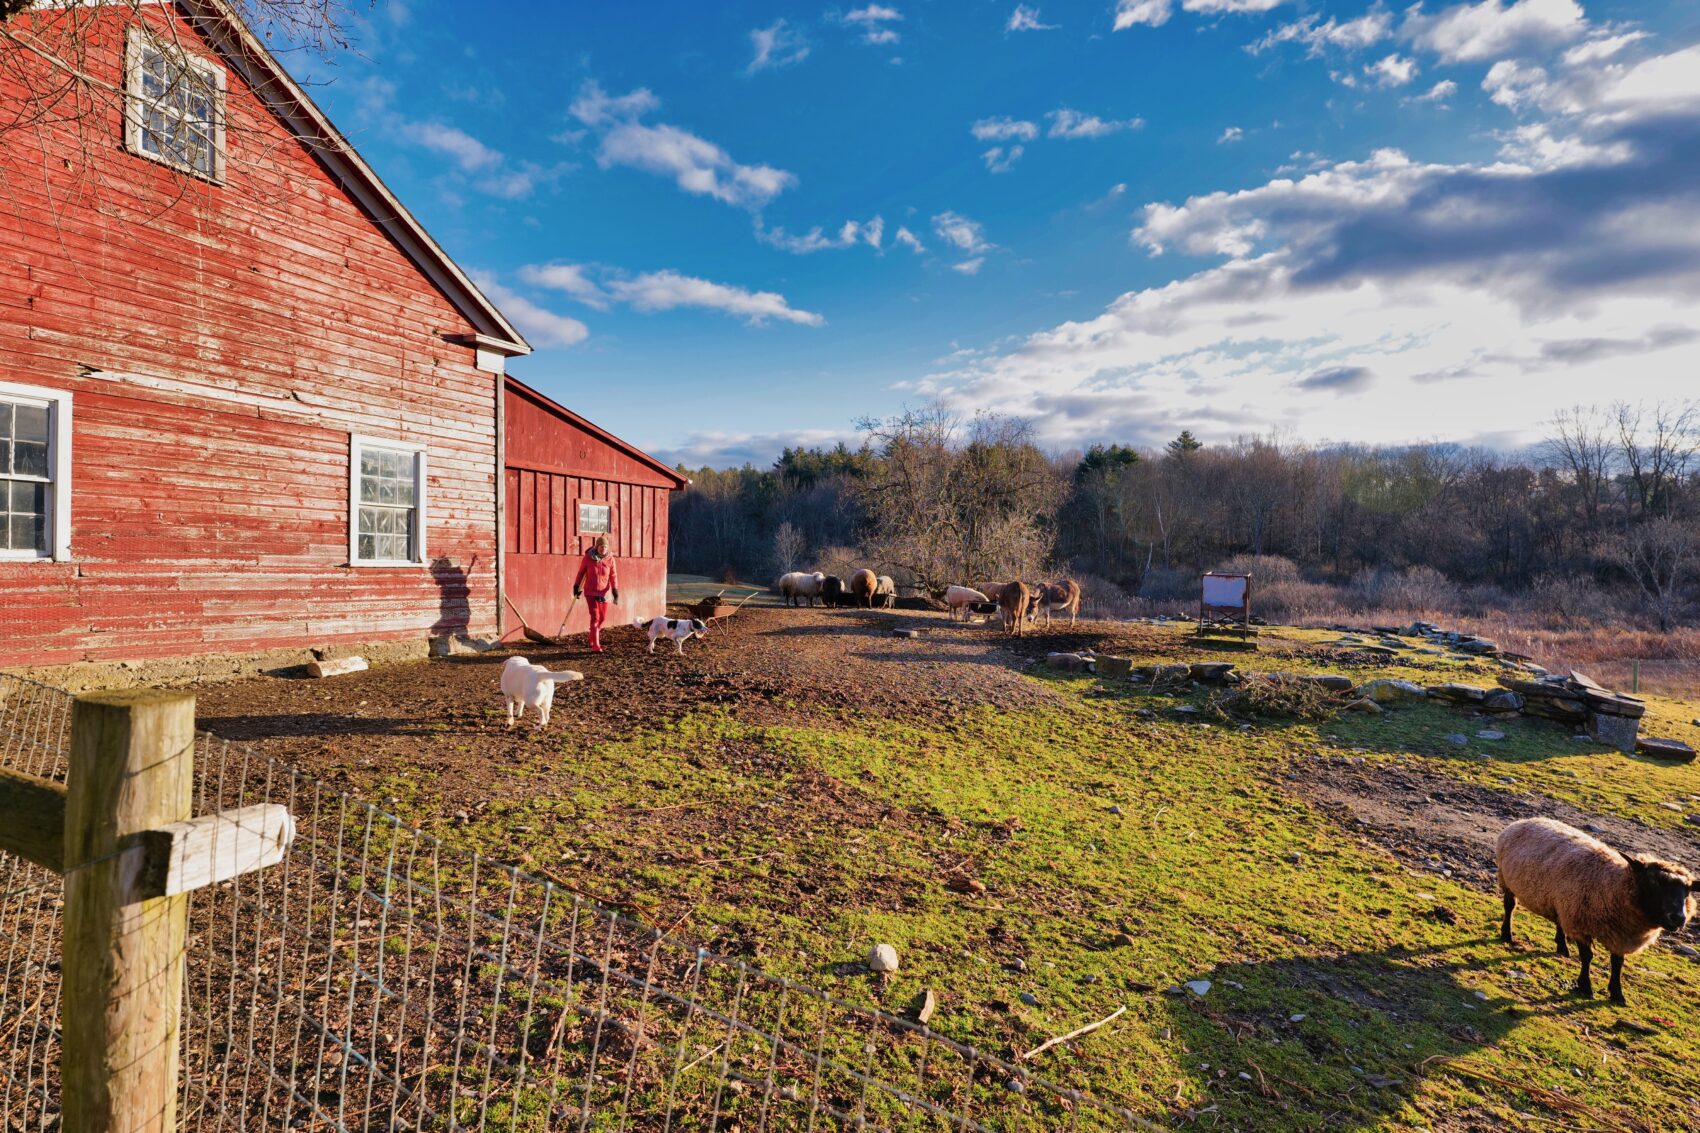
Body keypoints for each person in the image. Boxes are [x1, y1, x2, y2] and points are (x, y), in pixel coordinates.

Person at [572, 535, 620, 652]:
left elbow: (613, 576)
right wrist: (576, 586)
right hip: (590, 592)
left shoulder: (610, 559)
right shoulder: (588, 558)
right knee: (595, 617)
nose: (603, 549)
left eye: (605, 547)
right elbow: (581, 573)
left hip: (604, 593)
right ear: (596, 547)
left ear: (607, 548)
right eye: (600, 546)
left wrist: (615, 591)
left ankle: (592, 636)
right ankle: (596, 645)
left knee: (602, 618)